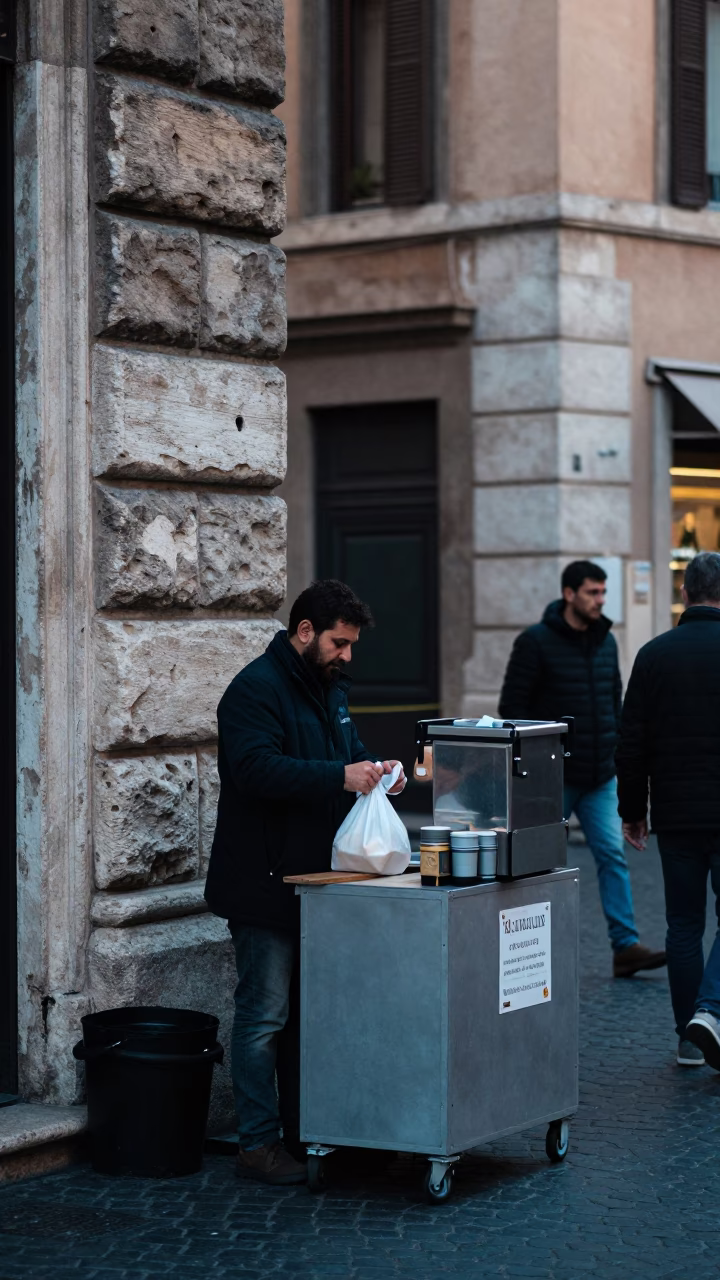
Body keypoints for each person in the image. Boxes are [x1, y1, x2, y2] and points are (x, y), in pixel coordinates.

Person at [204, 580, 406, 1185]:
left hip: (320, 885)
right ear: (305, 632)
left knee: (312, 1018)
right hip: (264, 882)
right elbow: (255, 769)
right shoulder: (253, 689)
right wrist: (338, 777)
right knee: (263, 1018)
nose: (348, 656)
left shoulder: (329, 688)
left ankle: (307, 1133)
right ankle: (257, 1145)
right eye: (340, 644)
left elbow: (345, 751)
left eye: (352, 646)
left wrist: (377, 769)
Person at [498, 560, 665, 978]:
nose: (600, 600)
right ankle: (526, 952)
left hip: (600, 775)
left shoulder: (607, 641)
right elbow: (512, 710)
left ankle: (625, 947)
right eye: (593, 592)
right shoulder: (534, 642)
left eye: (603, 593)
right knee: (538, 864)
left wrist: (617, 754)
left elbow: (615, 705)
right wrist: (534, 764)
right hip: (551, 777)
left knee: (612, 854)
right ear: (569, 593)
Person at [616, 552, 720, 1069]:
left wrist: (633, 810)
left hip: (676, 814)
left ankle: (688, 1037)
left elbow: (631, 744)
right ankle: (712, 1009)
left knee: (682, 925)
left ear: (685, 593)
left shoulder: (654, 655)